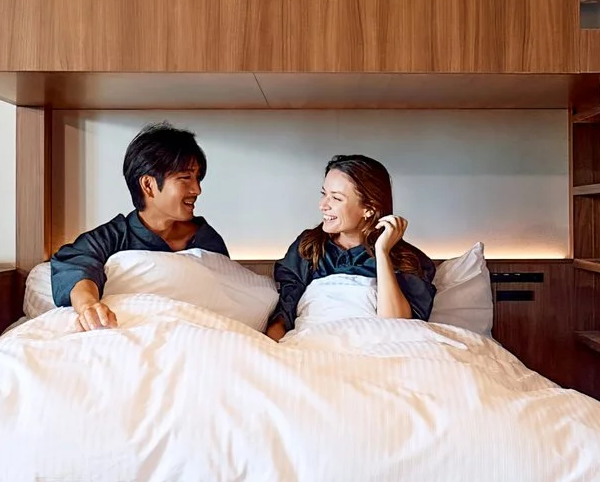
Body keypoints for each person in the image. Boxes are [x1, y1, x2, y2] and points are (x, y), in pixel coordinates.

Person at [47, 123, 229, 331]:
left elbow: (227, 296)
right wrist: (89, 305)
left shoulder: (206, 239)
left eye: (197, 178)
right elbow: (76, 263)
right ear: (148, 185)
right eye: (185, 178)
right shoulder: (113, 236)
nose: (197, 189)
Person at [265, 155, 435, 338]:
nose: (322, 205)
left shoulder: (407, 259)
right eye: (324, 194)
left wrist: (383, 252)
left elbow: (397, 326)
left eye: (336, 198)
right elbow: (284, 313)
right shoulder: (309, 247)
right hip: (312, 342)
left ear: (369, 208)